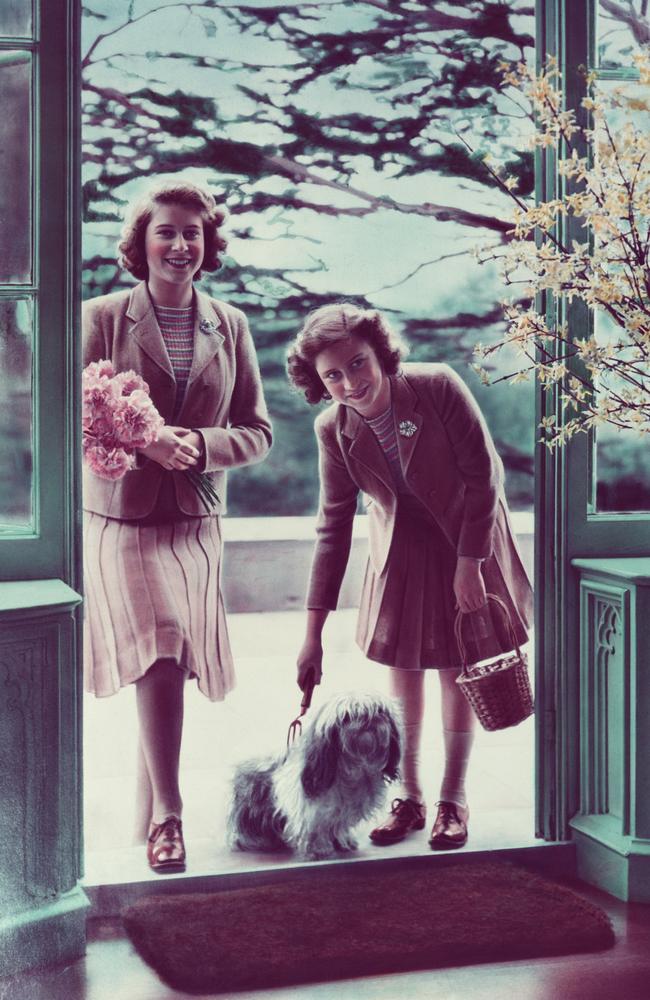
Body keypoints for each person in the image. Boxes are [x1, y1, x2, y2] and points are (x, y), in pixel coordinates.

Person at [287, 304, 532, 850]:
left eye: (358, 363)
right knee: (402, 674)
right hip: (399, 553)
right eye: (333, 375)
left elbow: (483, 477)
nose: (350, 382)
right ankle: (409, 798)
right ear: (317, 381)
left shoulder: (437, 385)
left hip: (468, 535)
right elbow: (333, 527)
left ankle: (453, 800)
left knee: (455, 670)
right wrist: (312, 633)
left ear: (381, 354)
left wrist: (470, 566)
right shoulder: (332, 429)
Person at [83, 180, 272, 873]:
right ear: (141, 242)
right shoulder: (100, 317)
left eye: (194, 232)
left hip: (195, 522)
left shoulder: (232, 325)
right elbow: (71, 414)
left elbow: (256, 432)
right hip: (120, 518)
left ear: (208, 243)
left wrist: (199, 443)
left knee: (164, 665)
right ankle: (170, 817)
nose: (181, 244)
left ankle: (143, 817)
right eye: (167, 230)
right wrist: (144, 442)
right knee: (158, 648)